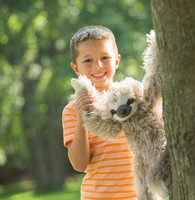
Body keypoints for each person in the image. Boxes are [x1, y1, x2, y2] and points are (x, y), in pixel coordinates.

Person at [62, 26, 137, 200]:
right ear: (76, 68)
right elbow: (79, 164)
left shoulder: (132, 101)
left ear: (117, 61)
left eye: (105, 57)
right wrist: (82, 119)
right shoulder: (72, 110)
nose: (98, 66)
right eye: (88, 60)